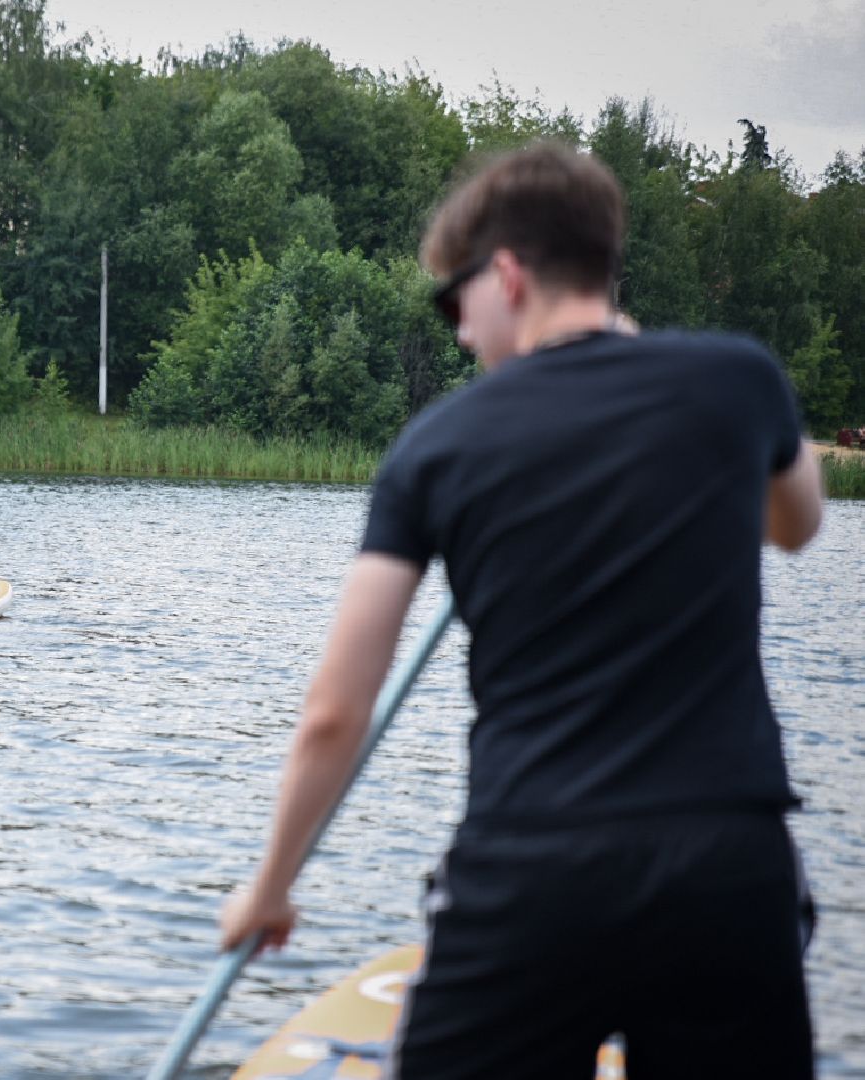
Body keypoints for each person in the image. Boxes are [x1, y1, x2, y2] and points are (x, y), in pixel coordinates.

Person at [219, 143, 825, 1078]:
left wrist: (269, 888)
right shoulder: (736, 381)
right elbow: (795, 523)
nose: (457, 329)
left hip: (534, 870)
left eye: (452, 300)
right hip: (725, 867)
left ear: (506, 274)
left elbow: (336, 713)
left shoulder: (437, 447)